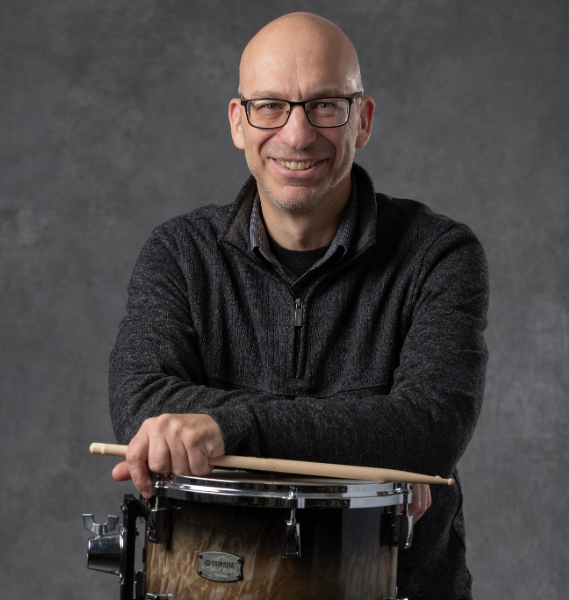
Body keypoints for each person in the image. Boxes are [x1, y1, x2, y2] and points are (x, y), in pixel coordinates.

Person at [109, 12, 488, 600]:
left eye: (325, 105)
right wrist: (372, 443)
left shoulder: (439, 254)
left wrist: (225, 428)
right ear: (238, 122)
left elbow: (430, 427)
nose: (296, 134)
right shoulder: (178, 253)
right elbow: (142, 406)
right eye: (270, 106)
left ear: (363, 120)